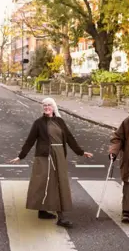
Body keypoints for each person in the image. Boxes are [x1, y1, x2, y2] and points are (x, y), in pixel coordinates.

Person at [9, 97, 93, 228]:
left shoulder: (60, 122)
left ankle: (54, 214)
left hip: (58, 155)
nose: (46, 107)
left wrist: (81, 152)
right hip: (44, 157)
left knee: (58, 183)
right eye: (44, 105)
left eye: (49, 105)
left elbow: (69, 138)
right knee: (44, 182)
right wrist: (21, 156)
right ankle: (52, 214)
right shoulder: (39, 123)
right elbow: (30, 140)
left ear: (53, 107)